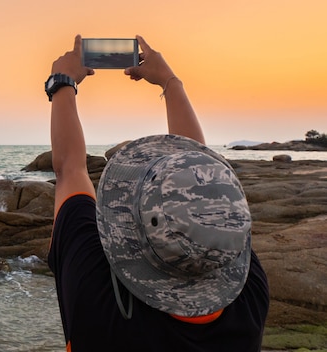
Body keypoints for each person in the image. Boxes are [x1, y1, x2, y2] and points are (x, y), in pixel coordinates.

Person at [45, 35, 269, 351]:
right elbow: (204, 190)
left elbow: (70, 168)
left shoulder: (98, 295)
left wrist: (62, 82)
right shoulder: (249, 298)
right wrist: (170, 81)